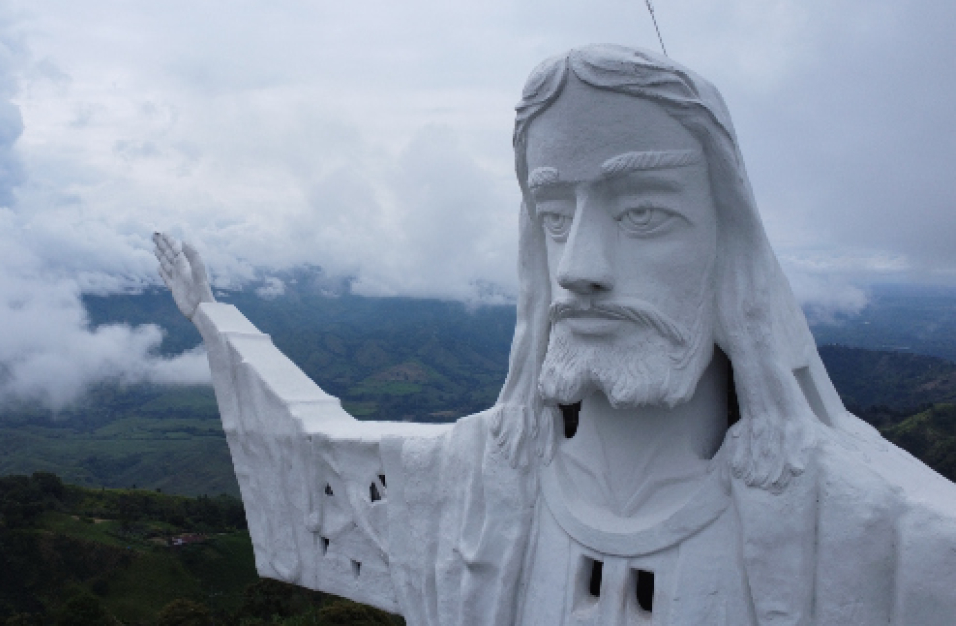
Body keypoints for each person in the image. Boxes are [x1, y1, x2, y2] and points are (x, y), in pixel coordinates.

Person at [154, 44, 956, 626]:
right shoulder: (472, 484)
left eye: (643, 212)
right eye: (555, 218)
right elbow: (305, 454)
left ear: (731, 246)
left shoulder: (884, 537)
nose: (580, 267)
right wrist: (210, 317)